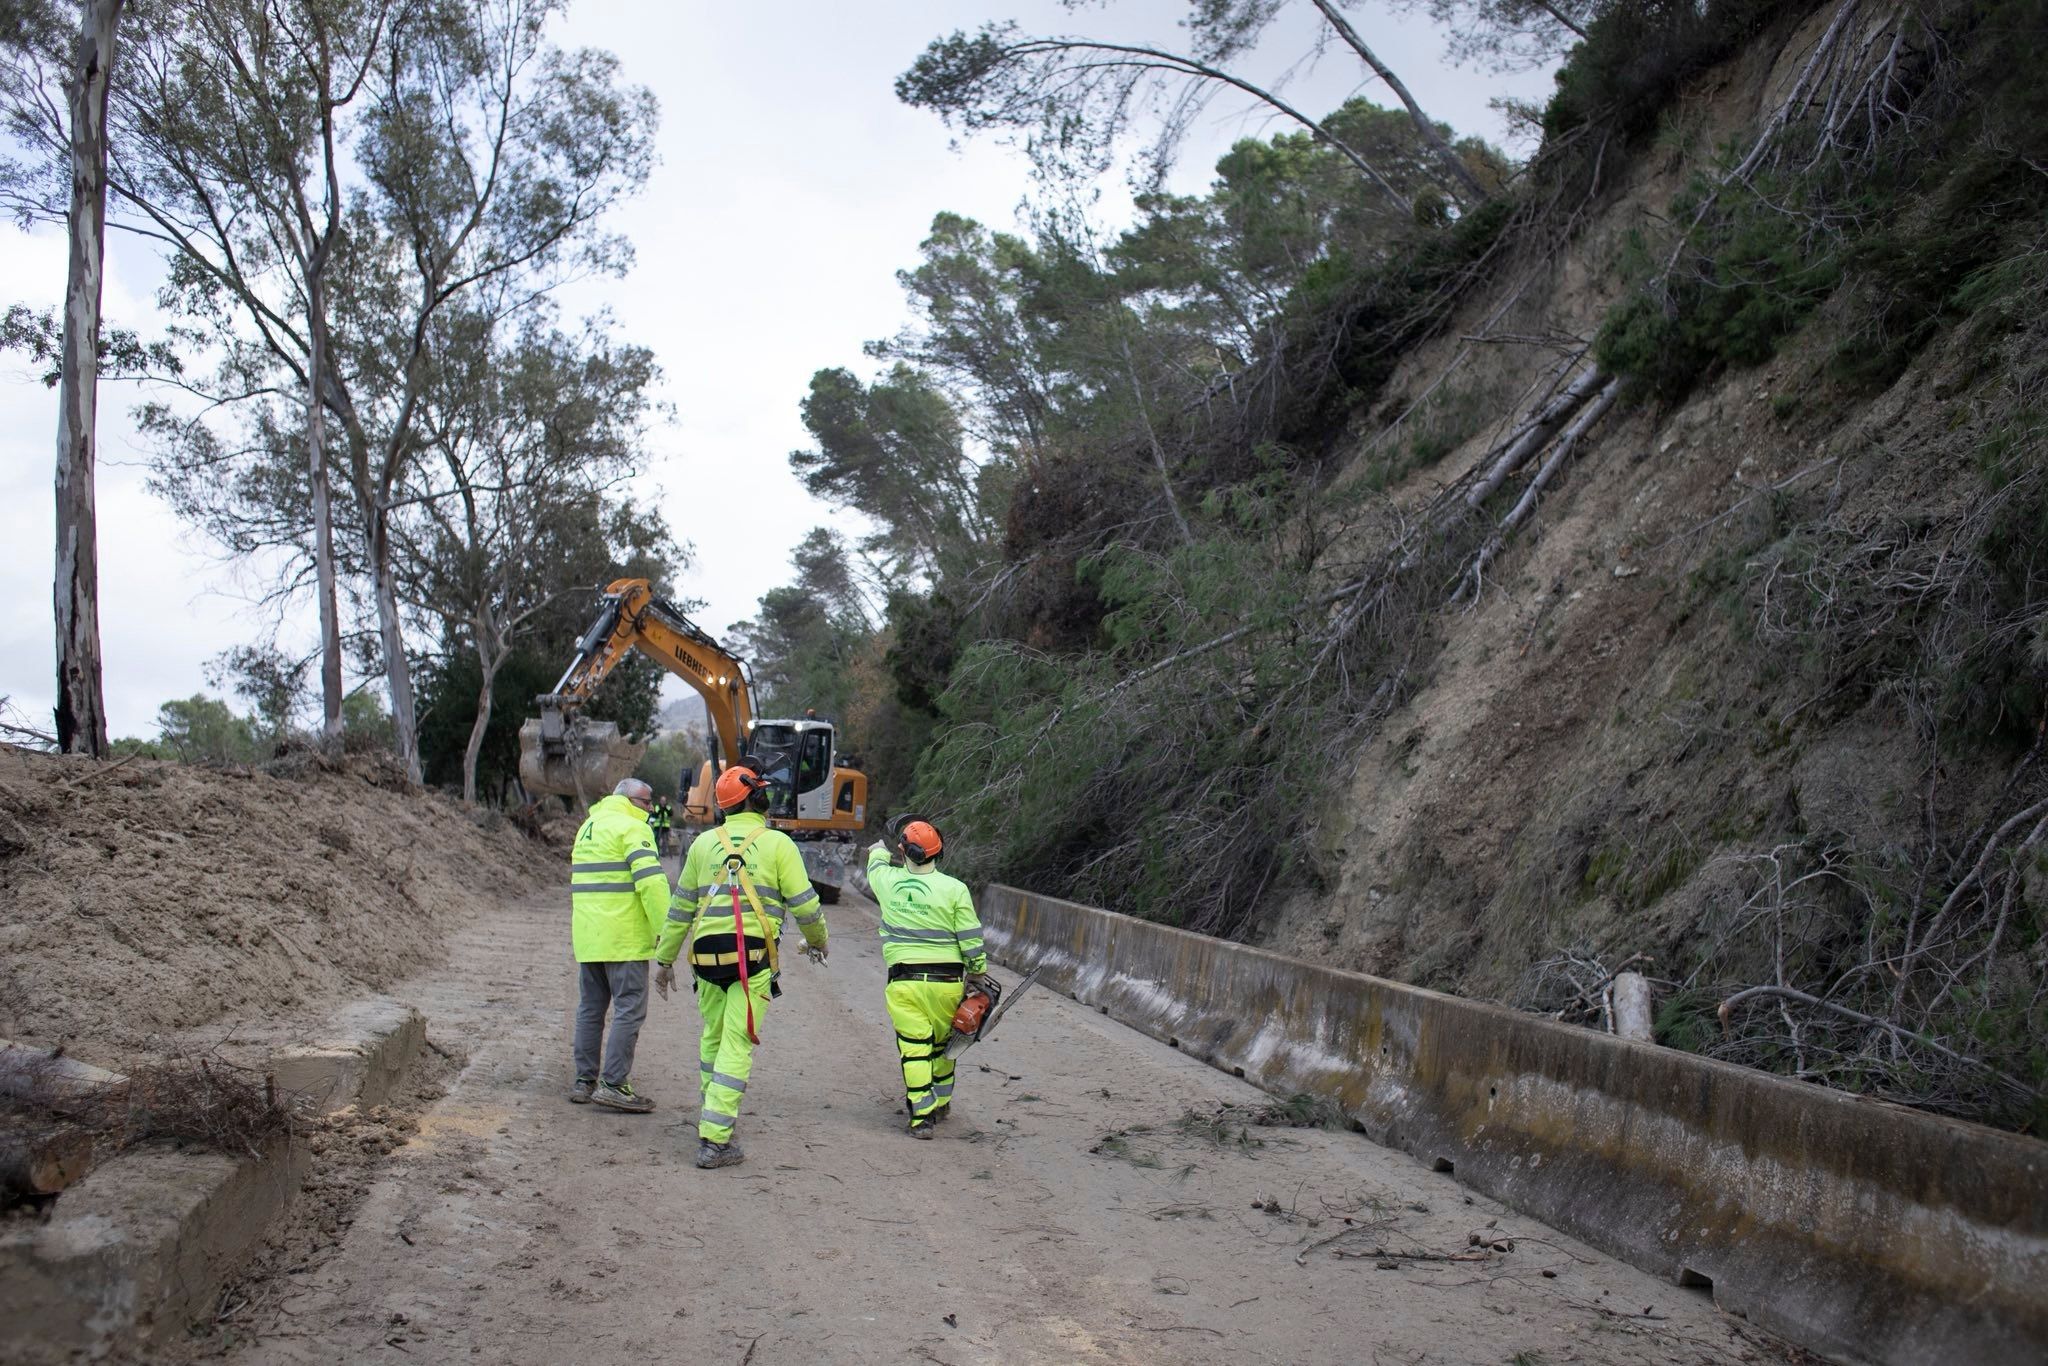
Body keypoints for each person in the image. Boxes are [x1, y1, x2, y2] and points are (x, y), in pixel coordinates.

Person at [654, 764, 829, 1169]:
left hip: (706, 958)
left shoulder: (703, 845)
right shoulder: (778, 844)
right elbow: (805, 906)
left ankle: (712, 1115)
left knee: (713, 1038)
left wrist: (664, 961)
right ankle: (715, 1141)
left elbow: (680, 909)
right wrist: (819, 941)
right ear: (756, 800)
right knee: (737, 1043)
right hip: (752, 960)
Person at [867, 815, 986, 1139]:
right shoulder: (955, 889)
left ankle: (921, 1118)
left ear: (903, 851)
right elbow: (971, 939)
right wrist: (977, 972)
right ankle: (942, 1103)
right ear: (939, 852)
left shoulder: (886, 881)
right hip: (947, 985)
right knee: (946, 1045)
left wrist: (881, 849)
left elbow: (875, 860)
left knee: (915, 1048)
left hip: (904, 984)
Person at [568, 777, 670, 1113]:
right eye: (646, 802)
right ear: (628, 800)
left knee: (590, 1008)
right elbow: (652, 885)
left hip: (589, 937)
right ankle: (613, 1084)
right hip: (624, 938)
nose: (650, 808)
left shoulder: (588, 827)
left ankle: (584, 1081)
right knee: (629, 1009)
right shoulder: (633, 828)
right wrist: (667, 931)